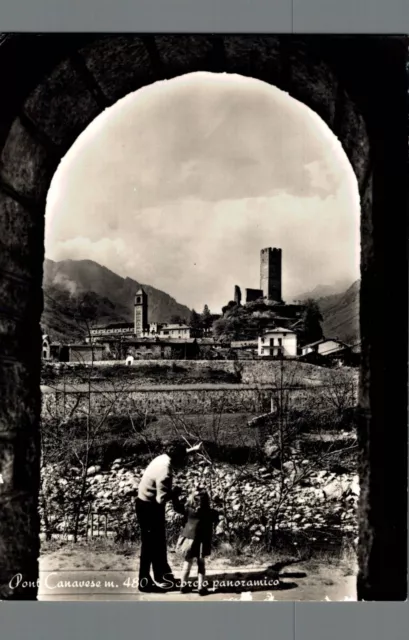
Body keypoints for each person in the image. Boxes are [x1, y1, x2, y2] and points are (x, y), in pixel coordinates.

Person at [135, 441, 202, 592]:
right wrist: (175, 493)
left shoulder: (163, 457)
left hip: (146, 503)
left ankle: (162, 575)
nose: (184, 461)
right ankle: (144, 582)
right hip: (149, 508)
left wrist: (193, 450)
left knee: (159, 543)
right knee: (149, 546)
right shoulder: (165, 471)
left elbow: (179, 453)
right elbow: (161, 499)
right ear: (177, 458)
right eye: (183, 458)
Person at [175, 489, 220, 596]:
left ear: (192, 500)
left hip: (189, 539)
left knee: (187, 562)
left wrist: (174, 496)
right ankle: (201, 587)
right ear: (206, 501)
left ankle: (183, 585)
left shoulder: (188, 510)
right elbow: (217, 517)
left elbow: (176, 507)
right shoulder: (211, 512)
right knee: (201, 564)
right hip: (202, 541)